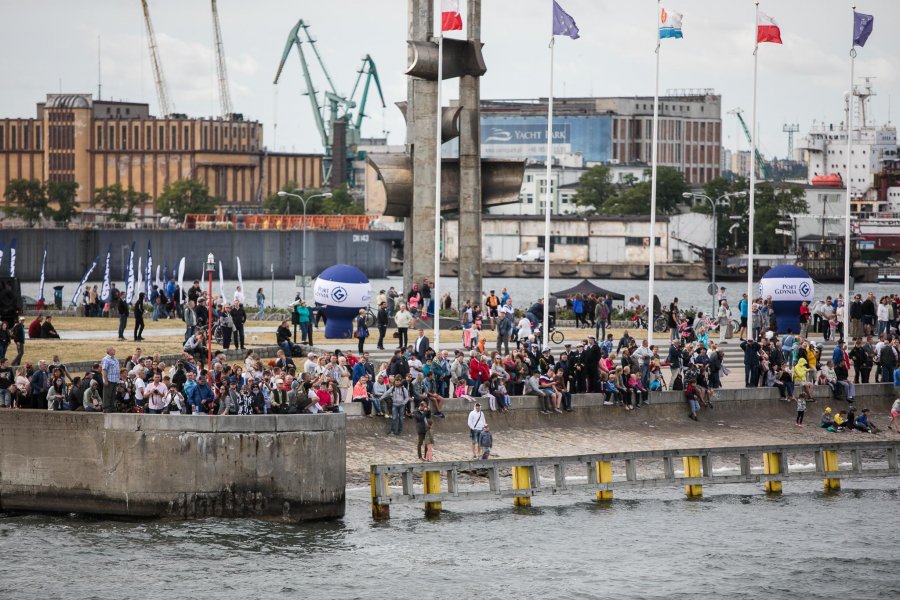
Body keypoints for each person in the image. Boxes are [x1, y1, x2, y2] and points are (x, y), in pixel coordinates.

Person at [100, 346, 120, 413]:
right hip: (109, 380)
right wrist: (105, 380)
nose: (114, 350)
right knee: (107, 395)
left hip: (115, 380)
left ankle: (112, 407)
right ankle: (106, 407)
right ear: (109, 351)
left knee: (113, 395)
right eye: (112, 350)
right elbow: (104, 370)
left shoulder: (115, 359)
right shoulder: (106, 359)